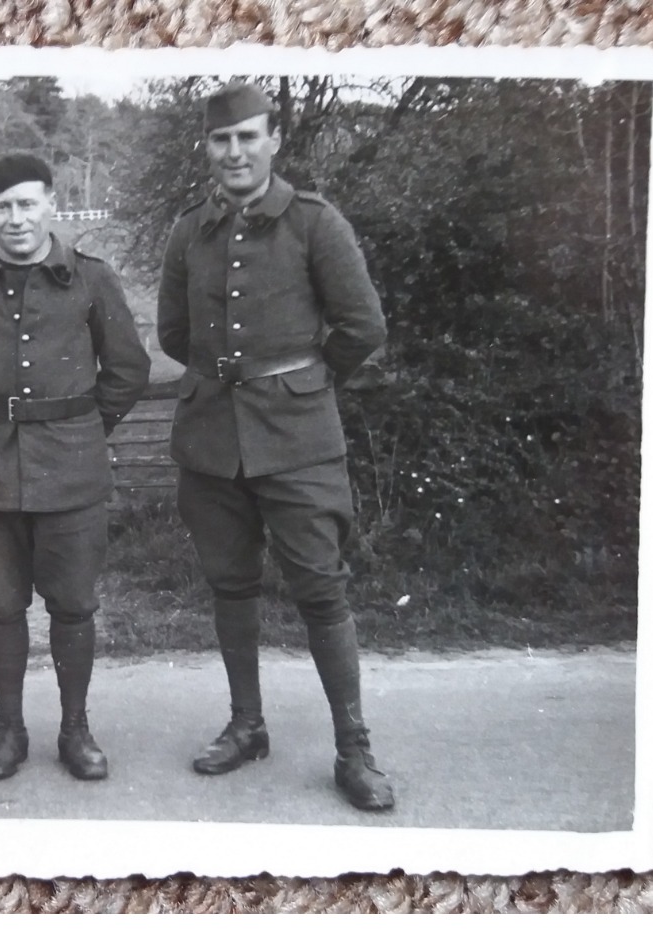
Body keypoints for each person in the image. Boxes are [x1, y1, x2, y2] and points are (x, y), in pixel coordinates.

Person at [156, 82, 395, 811]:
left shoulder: (314, 224)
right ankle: (245, 724)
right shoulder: (187, 230)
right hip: (210, 442)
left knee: (320, 589)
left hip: (297, 442)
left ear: (273, 141)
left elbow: (361, 327)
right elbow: (173, 333)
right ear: (207, 147)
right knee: (230, 586)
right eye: (221, 140)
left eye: (247, 137)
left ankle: (353, 749)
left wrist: (303, 384)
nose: (234, 152)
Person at [0, 154, 150, 782]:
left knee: (73, 604)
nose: (15, 219)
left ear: (51, 204)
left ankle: (75, 729)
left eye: (26, 204)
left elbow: (128, 367)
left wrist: (82, 426)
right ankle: (9, 730)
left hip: (73, 473)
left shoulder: (91, 279)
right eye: (1, 207)